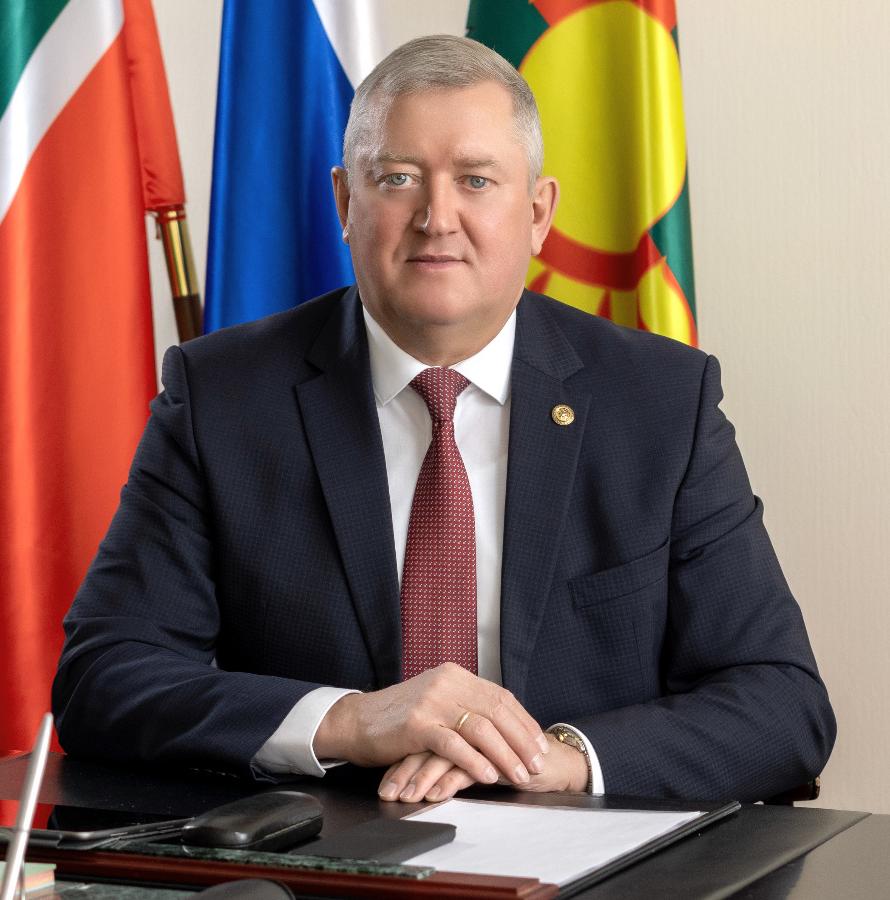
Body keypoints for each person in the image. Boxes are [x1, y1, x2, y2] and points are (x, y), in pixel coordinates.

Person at [53, 34, 834, 804]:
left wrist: (555, 759)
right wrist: (348, 721)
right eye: (397, 178)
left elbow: (782, 701)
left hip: (579, 855)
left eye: (476, 180)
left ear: (538, 213)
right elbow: (103, 676)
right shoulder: (222, 397)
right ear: (345, 203)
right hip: (324, 854)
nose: (437, 217)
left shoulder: (661, 402)